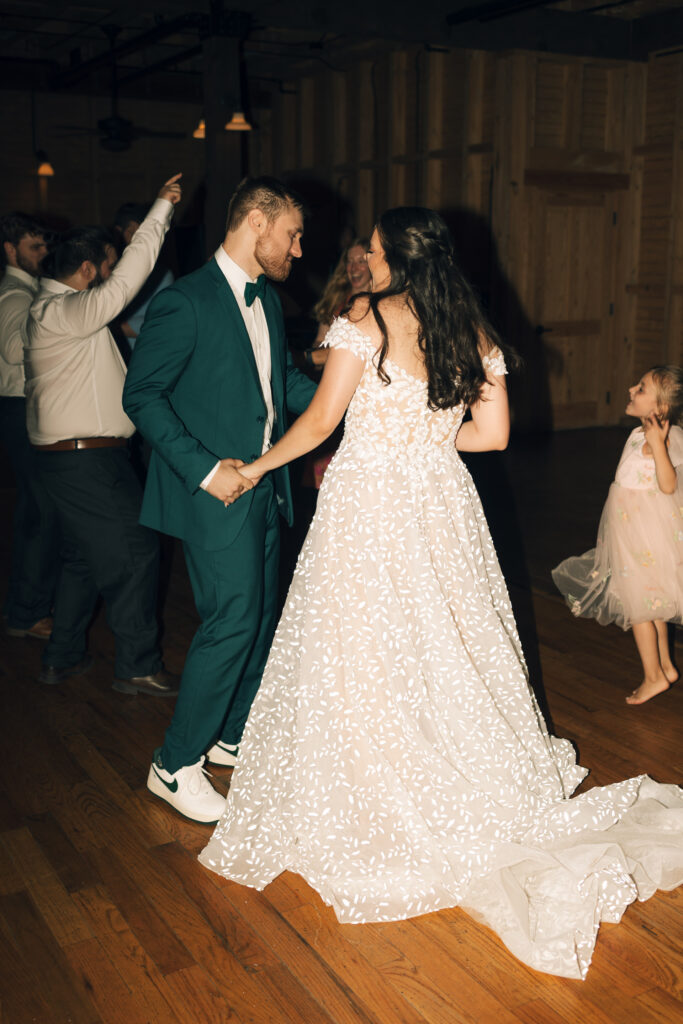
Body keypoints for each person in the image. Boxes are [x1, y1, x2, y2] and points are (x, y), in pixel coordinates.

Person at [199, 207, 683, 981]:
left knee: (362, 641)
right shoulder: (474, 329)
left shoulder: (367, 317)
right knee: (449, 639)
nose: (366, 260)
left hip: (371, 504)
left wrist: (253, 470)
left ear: (393, 257)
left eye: (375, 250)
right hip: (440, 501)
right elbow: (489, 438)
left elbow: (323, 420)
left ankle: (377, 789)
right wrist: (424, 442)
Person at [122, 176, 317, 825]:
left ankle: (232, 737)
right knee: (232, 620)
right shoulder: (188, 301)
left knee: (258, 618)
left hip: (267, 487)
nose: (297, 247)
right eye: (291, 233)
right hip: (215, 495)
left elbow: (282, 385)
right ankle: (174, 763)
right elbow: (141, 396)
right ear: (257, 222)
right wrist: (206, 471)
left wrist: (361, 399)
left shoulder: (266, 300)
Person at [24, 173, 183, 696]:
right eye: (107, 265)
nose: (112, 274)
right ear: (89, 267)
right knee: (137, 550)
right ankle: (137, 666)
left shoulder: (52, 314)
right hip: (85, 461)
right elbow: (124, 286)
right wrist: (160, 211)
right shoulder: (64, 312)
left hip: (71, 460)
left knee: (82, 556)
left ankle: (62, 656)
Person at [553, 366, 683, 705]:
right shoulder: (639, 434)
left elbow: (668, 484)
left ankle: (653, 677)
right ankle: (667, 666)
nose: (630, 389)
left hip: (642, 539)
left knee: (639, 608)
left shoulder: (662, 441)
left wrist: (657, 446)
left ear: (660, 409)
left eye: (640, 389)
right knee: (652, 604)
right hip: (629, 533)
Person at [0, 212, 59, 639]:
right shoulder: (15, 296)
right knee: (39, 513)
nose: (43, 254)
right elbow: (11, 349)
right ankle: (28, 611)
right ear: (10, 249)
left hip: (21, 409)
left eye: (43, 246)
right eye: (34, 247)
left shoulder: (26, 292)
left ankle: (25, 606)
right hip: (19, 409)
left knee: (35, 512)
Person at [112, 201, 174, 351]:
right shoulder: (114, 269)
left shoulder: (161, 274)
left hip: (142, 356)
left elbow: (160, 321)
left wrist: (107, 326)